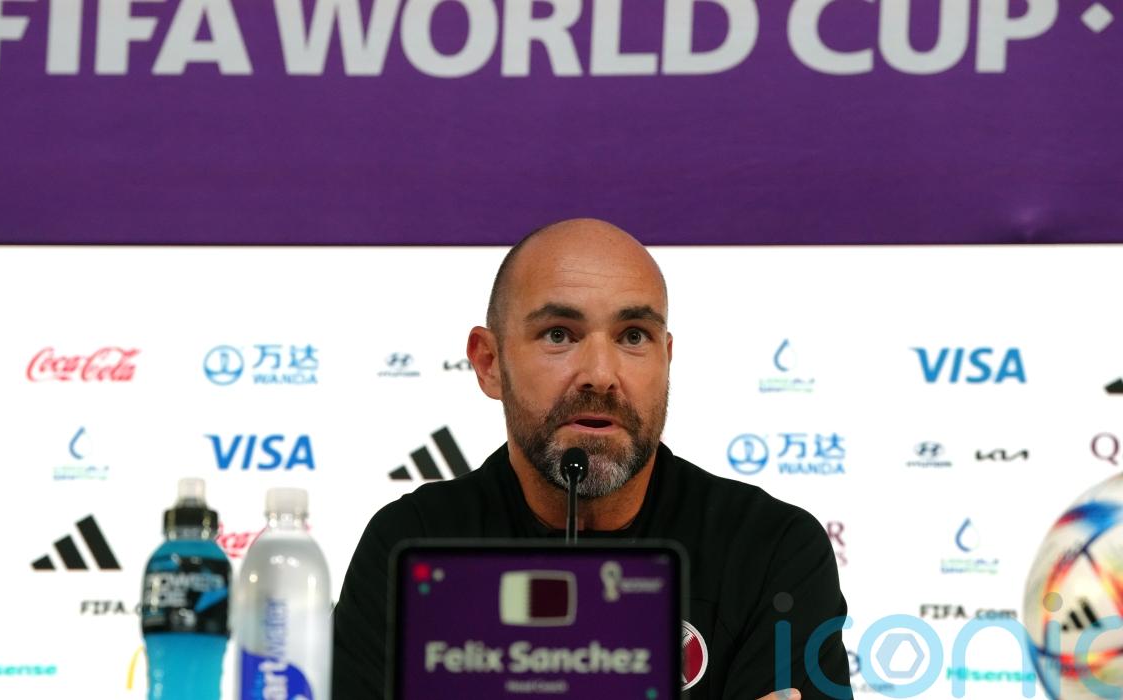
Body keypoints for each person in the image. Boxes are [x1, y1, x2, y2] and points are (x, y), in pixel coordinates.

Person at [333, 219, 851, 699]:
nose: (600, 375)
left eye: (633, 336)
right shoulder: (411, 545)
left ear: (666, 360)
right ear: (489, 363)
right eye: (559, 334)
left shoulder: (771, 548)